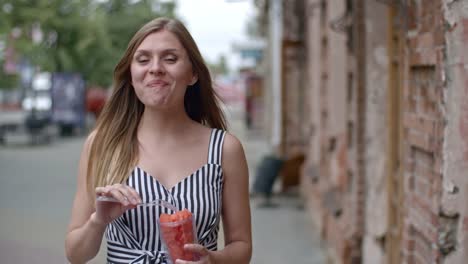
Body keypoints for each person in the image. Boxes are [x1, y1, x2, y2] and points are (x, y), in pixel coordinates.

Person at [65, 17, 252, 264]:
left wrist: (212, 261)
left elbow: (242, 247)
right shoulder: (102, 145)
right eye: (143, 60)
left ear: (193, 73)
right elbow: (76, 255)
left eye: (170, 58)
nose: (155, 68)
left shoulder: (225, 149)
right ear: (131, 76)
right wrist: (98, 220)